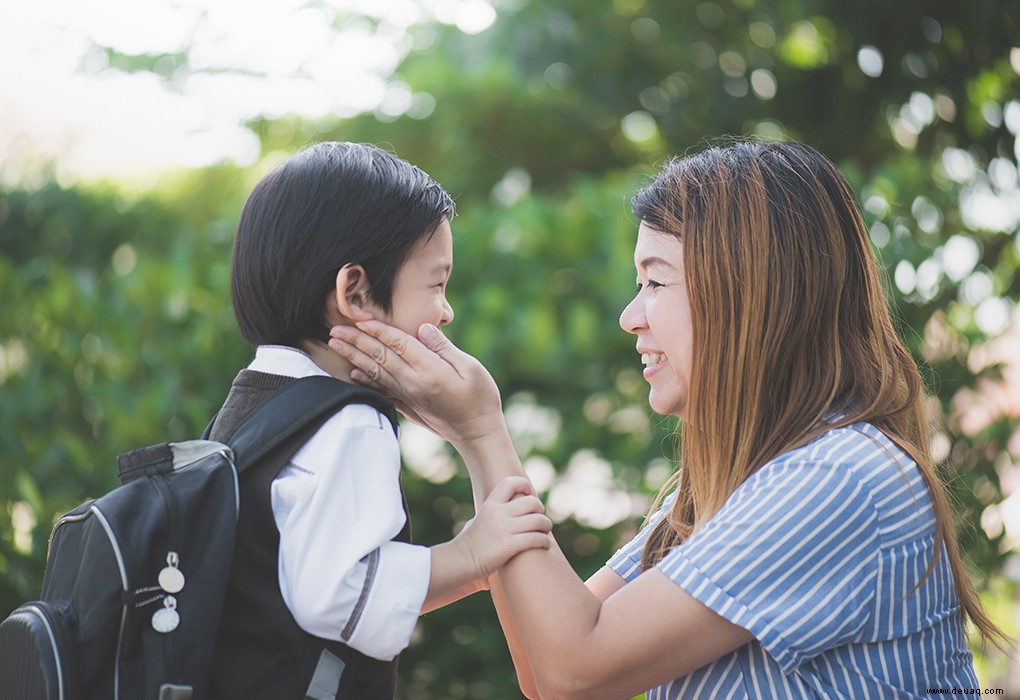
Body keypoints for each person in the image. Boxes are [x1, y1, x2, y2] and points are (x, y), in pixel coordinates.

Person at [327, 139, 1008, 698]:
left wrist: (482, 433)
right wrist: (470, 439)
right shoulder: (730, 489)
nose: (632, 316)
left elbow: (574, 668)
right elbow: (544, 662)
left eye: (654, 282)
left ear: (748, 294)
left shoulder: (840, 478)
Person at [206, 141, 552, 700]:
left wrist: (468, 566)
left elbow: (327, 586)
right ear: (356, 292)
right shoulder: (347, 423)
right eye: (437, 284)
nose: (446, 311)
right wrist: (467, 553)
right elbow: (335, 594)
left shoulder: (253, 401)